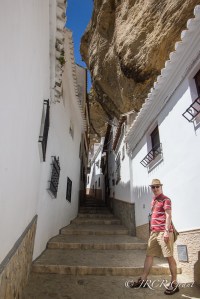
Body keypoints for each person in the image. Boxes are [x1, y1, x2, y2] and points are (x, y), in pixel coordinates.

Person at [129, 179, 179, 295]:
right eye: (153, 187)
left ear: (161, 187)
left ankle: (174, 283)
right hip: (154, 232)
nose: (155, 189)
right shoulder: (153, 200)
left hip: (164, 232)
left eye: (157, 186)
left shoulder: (166, 199)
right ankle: (143, 280)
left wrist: (166, 231)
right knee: (149, 255)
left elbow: (168, 215)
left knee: (169, 257)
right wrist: (151, 231)